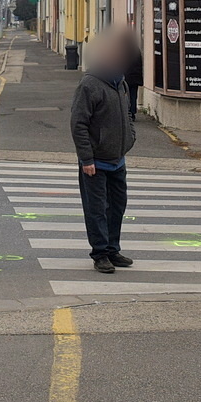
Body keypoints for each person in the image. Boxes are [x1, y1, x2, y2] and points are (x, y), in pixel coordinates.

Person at [70, 36, 137, 275]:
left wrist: (130, 138)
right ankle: (100, 254)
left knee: (117, 207)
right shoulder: (89, 85)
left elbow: (128, 114)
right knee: (97, 209)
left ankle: (112, 249)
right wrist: (86, 158)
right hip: (95, 162)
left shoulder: (121, 83)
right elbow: (78, 124)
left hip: (118, 160)